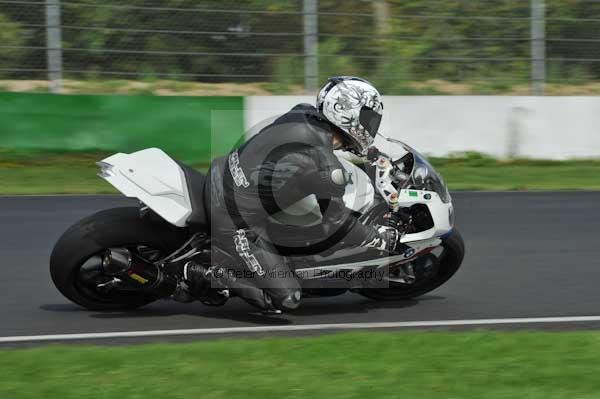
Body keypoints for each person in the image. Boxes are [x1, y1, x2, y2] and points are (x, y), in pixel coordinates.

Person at [184, 76, 404, 313]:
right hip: (234, 221)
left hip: (222, 171)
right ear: (345, 111)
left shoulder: (303, 113)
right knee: (287, 298)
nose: (370, 126)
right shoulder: (326, 167)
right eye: (367, 118)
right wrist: (376, 238)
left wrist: (370, 153)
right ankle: (210, 274)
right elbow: (336, 225)